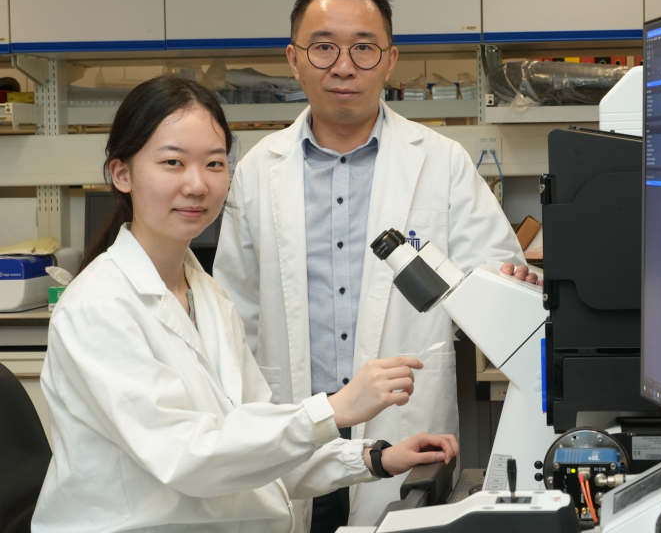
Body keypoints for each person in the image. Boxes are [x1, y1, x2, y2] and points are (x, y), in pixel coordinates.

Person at [32, 75, 458, 533]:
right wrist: (333, 409)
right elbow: (189, 456)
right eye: (173, 162)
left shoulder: (207, 295)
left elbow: (252, 440)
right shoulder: (99, 308)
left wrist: (374, 458)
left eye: (214, 163)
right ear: (122, 173)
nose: (197, 185)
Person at [213, 0, 537, 530]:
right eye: (324, 47)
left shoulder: (442, 163)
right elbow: (234, 316)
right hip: (292, 420)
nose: (344, 66)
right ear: (294, 59)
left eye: (364, 47)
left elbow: (498, 283)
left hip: (401, 424)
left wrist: (512, 285)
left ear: (390, 61)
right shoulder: (256, 171)